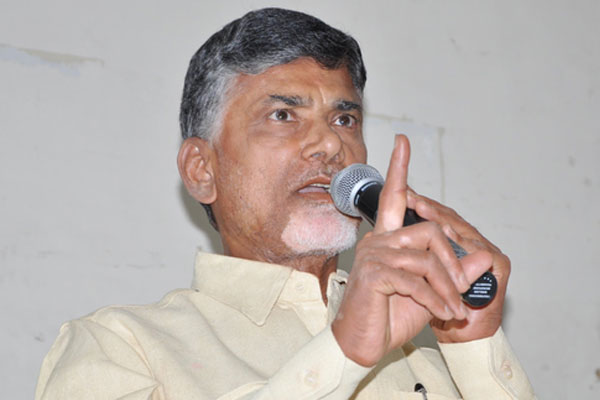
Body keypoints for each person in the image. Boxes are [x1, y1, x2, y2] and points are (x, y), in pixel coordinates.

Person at [35, 7, 536, 399]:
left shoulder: (436, 370)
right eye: (282, 115)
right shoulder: (119, 346)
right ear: (201, 170)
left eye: (344, 120)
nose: (329, 144)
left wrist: (475, 345)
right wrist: (343, 352)